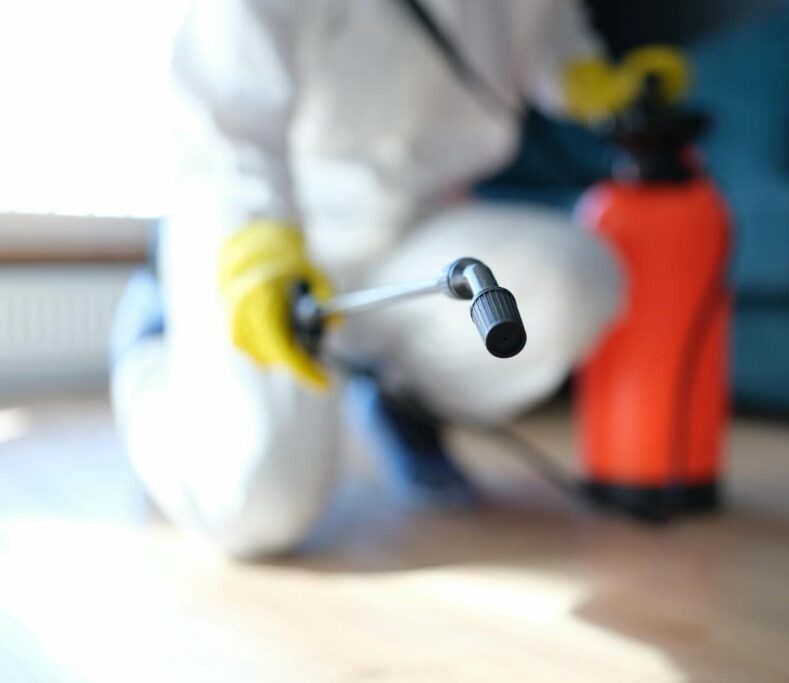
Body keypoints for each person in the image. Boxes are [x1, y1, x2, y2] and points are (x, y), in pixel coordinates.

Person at [111, 0, 690, 558]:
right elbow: (224, 114)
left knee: (575, 282)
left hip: (414, 222)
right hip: (264, 220)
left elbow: (551, 45)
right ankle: (149, 345)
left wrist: (593, 81)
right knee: (256, 506)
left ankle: (402, 400)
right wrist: (258, 246)